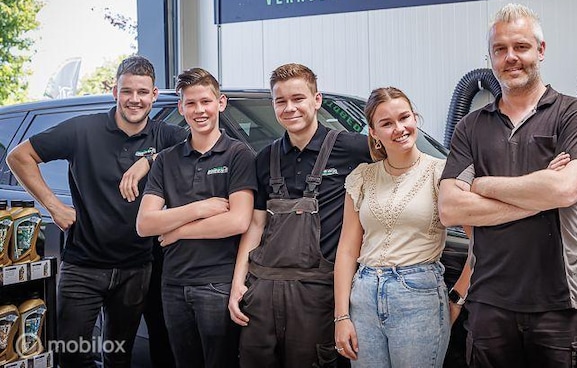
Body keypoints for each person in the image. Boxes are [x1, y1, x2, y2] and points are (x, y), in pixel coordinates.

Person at [438, 3, 577, 368]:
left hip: (561, 304)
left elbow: (565, 190)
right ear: (491, 57)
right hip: (488, 302)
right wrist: (540, 190)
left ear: (540, 50)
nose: (510, 57)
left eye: (521, 47)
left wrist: (481, 184)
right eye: (500, 49)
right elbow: (450, 208)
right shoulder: (471, 127)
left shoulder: (574, 113)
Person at [7, 55, 187, 368]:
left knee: (119, 357)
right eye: (127, 91)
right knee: (72, 355)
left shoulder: (164, 135)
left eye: (142, 92)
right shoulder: (83, 130)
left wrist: (149, 161)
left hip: (137, 268)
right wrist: (55, 207)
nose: (134, 99)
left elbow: (203, 146)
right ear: (115, 92)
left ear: (154, 95)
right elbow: (19, 157)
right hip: (83, 267)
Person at [228, 63, 372, 368]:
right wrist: (238, 284)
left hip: (317, 295)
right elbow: (256, 225)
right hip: (263, 292)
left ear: (317, 100)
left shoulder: (352, 148)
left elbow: (401, 157)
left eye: (298, 98)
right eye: (281, 101)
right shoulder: (265, 158)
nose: (289, 108)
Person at [333, 86, 467, 367]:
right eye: (386, 123)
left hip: (418, 295)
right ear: (373, 132)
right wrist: (341, 316)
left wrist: (456, 298)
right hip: (364, 295)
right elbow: (346, 250)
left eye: (404, 117)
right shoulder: (362, 177)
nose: (399, 128)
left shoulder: (442, 172)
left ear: (415, 118)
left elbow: (480, 243)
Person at [136, 67, 256, 368]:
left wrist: (177, 230)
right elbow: (145, 224)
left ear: (220, 103)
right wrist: (200, 209)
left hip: (218, 283)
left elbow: (238, 221)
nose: (199, 110)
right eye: (190, 103)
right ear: (181, 108)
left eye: (205, 101)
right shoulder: (166, 160)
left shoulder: (238, 154)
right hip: (173, 284)